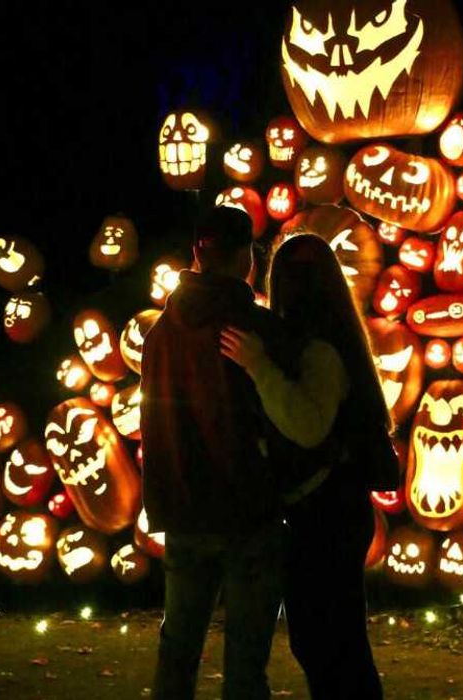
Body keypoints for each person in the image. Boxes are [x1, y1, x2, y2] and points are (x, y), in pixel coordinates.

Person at [219, 232, 390, 699]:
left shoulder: (320, 350)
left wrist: (258, 367)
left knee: (328, 643)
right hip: (331, 512)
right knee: (331, 642)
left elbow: (307, 424)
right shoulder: (326, 341)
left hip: (327, 515)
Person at [140, 206, 298, 700]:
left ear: (196, 255)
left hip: (184, 510)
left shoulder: (159, 335)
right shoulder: (259, 331)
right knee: (247, 660)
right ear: (246, 258)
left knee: (178, 648)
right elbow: (281, 420)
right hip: (248, 510)